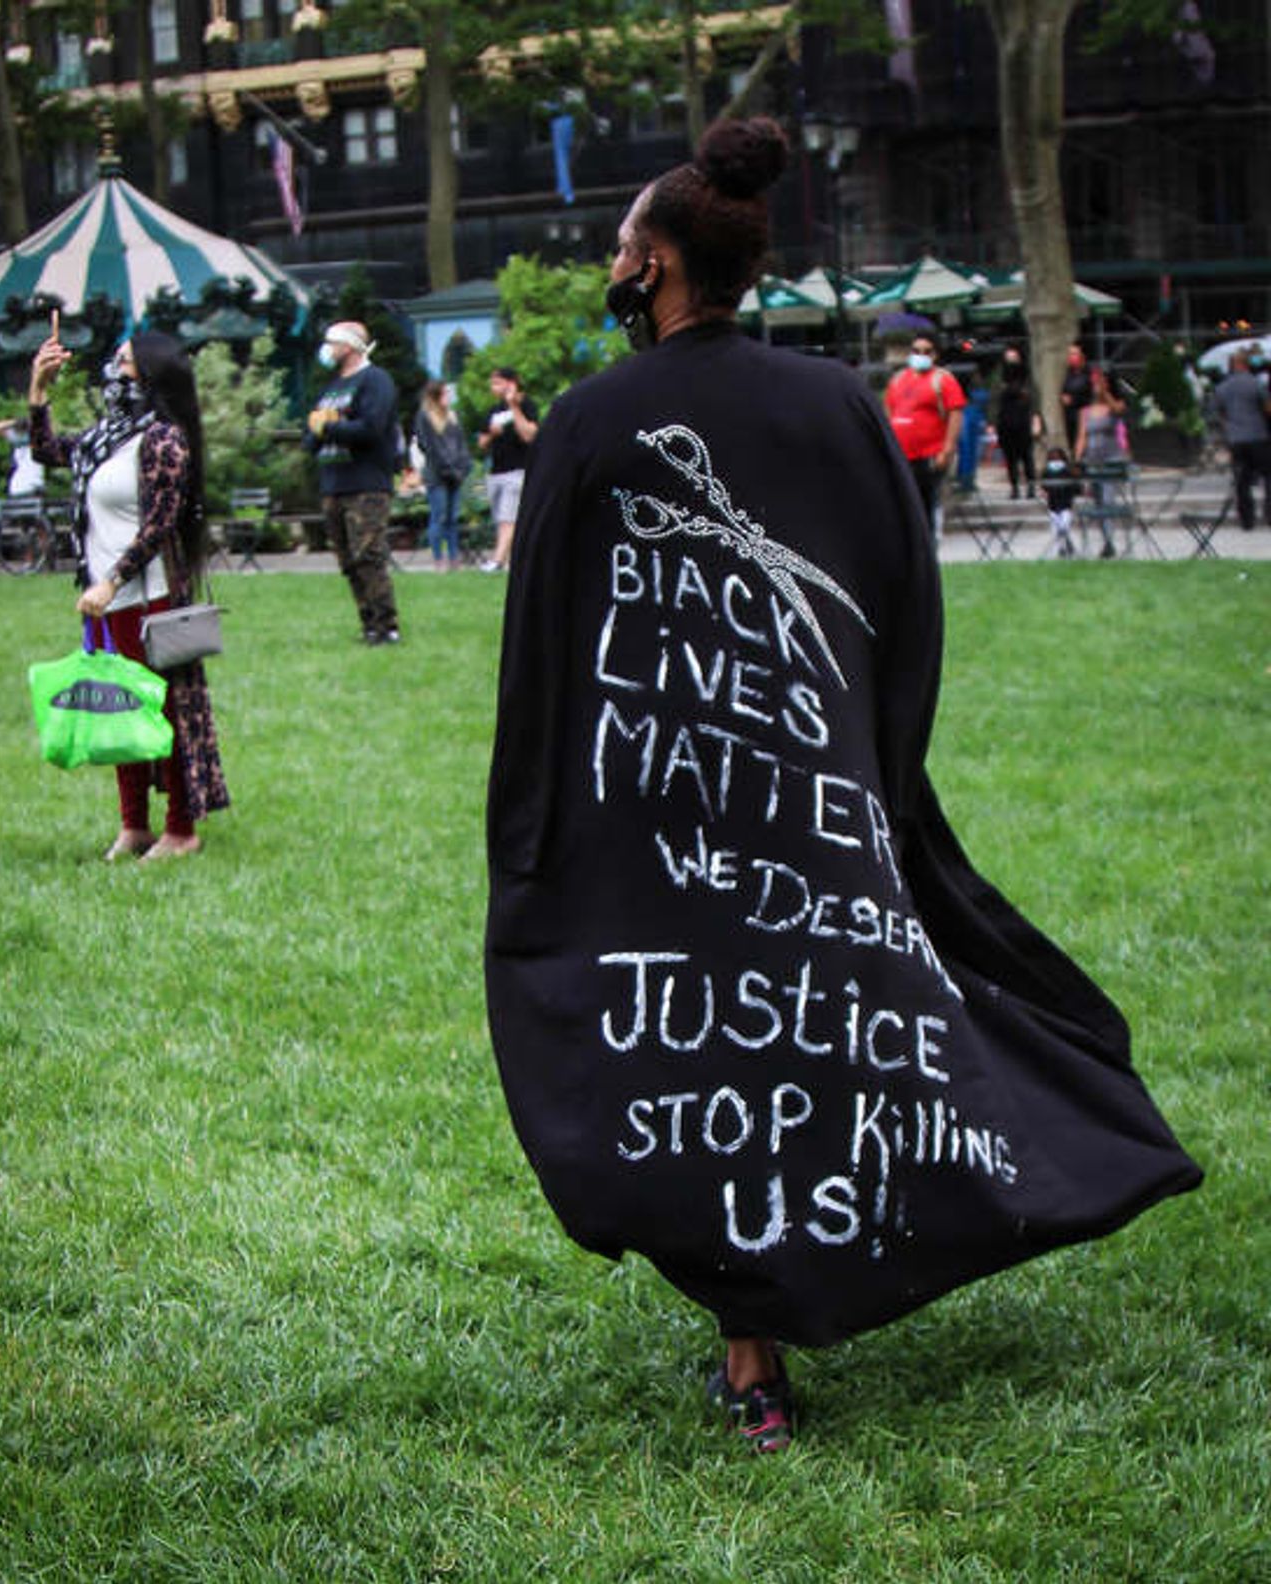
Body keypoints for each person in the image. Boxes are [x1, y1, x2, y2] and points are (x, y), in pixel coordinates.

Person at [484, 117, 1200, 1456]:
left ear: (649, 264)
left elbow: (542, 647)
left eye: (617, 250)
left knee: (699, 1043)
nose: (610, 265)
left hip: (650, 805)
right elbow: (902, 601)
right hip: (813, 790)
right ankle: (767, 1320)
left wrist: (533, 822)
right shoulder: (838, 407)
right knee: (793, 1030)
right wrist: (877, 766)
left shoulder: (587, 422)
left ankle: (754, 1350)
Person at [28, 328, 229, 861]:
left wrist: (111, 579)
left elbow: (160, 525)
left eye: (124, 362)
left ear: (151, 374)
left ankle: (181, 830)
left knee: (164, 716)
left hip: (151, 599)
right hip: (108, 600)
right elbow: (48, 450)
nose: (112, 372)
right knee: (122, 711)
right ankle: (133, 826)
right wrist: (39, 391)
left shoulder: (164, 438)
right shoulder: (106, 437)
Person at [306, 320, 402, 644]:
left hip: (367, 484)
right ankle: (368, 623)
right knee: (347, 561)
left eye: (332, 342)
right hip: (333, 483)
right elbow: (312, 437)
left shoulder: (376, 381)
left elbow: (371, 427)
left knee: (369, 556)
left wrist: (330, 427)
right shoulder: (331, 388)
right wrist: (318, 431)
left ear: (348, 346)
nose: (327, 349)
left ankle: (387, 625)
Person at [883, 332, 965, 541]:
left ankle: (928, 546)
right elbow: (889, 412)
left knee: (926, 503)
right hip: (902, 454)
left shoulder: (942, 380)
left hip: (929, 455)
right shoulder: (898, 379)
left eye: (926, 351)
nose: (921, 355)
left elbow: (955, 413)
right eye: (916, 351)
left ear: (935, 354)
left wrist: (947, 450)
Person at [476, 367, 539, 572]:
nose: (494, 387)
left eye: (498, 382)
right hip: (497, 471)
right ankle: (513, 561)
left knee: (508, 517)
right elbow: (481, 443)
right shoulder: (493, 411)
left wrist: (514, 407)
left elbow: (530, 435)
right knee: (502, 519)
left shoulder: (526, 405)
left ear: (511, 383)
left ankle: (496, 560)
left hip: (518, 471)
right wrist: (492, 434)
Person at [412, 379, 472, 570]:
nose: (449, 397)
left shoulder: (453, 417)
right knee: (439, 516)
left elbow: (461, 444)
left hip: (456, 474)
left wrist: (463, 467)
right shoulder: (425, 417)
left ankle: (454, 558)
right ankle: (438, 559)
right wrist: (447, 468)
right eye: (445, 393)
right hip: (437, 475)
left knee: (452, 518)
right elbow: (429, 447)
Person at [1211, 350, 1271, 530]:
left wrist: (1227, 426)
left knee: (1241, 481)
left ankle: (1247, 520)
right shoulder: (1256, 384)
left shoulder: (1222, 387)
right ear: (1247, 364)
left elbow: (1216, 411)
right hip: (1258, 435)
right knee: (1268, 476)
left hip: (1236, 438)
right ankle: (1269, 514)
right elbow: (1267, 408)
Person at [1074, 364, 1127, 558]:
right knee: (1097, 503)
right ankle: (1106, 540)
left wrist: (1105, 392)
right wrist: (1077, 459)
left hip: (1111, 458)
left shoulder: (1114, 406)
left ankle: (1110, 541)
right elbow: (1082, 436)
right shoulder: (1086, 411)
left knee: (1107, 499)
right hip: (1093, 461)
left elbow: (1118, 410)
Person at [994, 344, 1036, 499]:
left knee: (1026, 455)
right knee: (1010, 456)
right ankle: (1014, 487)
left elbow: (1033, 398)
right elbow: (995, 401)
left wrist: (1035, 418)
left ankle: (1031, 485)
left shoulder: (1027, 379)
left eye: (1014, 358)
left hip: (1023, 420)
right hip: (1006, 421)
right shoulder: (999, 379)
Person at [1039, 444, 1082, 557]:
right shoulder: (1047, 472)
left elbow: (1076, 487)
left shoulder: (1068, 471)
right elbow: (1044, 487)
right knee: (1056, 526)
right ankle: (1061, 547)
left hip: (1065, 503)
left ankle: (1065, 544)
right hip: (1053, 504)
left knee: (1063, 525)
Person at [0, 416, 46, 498]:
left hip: (28, 487)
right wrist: (14, 422)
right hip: (22, 487)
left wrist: (27, 422)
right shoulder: (19, 441)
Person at [1060, 343, 1092, 451]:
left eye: (1074, 354)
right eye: (1069, 354)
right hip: (1070, 418)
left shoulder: (1090, 374)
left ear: (1083, 356)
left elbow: (1092, 396)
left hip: (1085, 417)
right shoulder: (1069, 373)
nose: (1070, 357)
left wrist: (1073, 400)